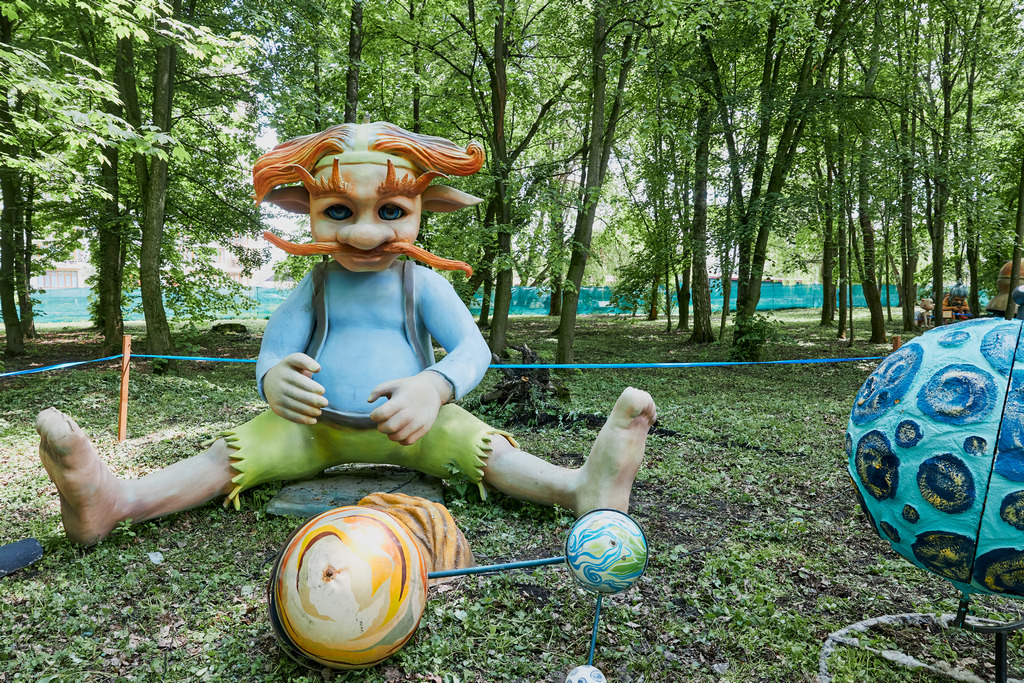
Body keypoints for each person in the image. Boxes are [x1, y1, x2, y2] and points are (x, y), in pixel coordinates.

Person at [36, 122, 657, 546]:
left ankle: (580, 488)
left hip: (418, 430)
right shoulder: (316, 285)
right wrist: (274, 379)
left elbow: (473, 350)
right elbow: (275, 351)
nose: (364, 233)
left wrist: (434, 387)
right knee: (228, 457)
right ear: (304, 209)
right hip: (315, 431)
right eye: (338, 212)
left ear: (425, 207)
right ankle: (115, 502)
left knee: (488, 451)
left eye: (391, 212)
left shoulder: (422, 283)